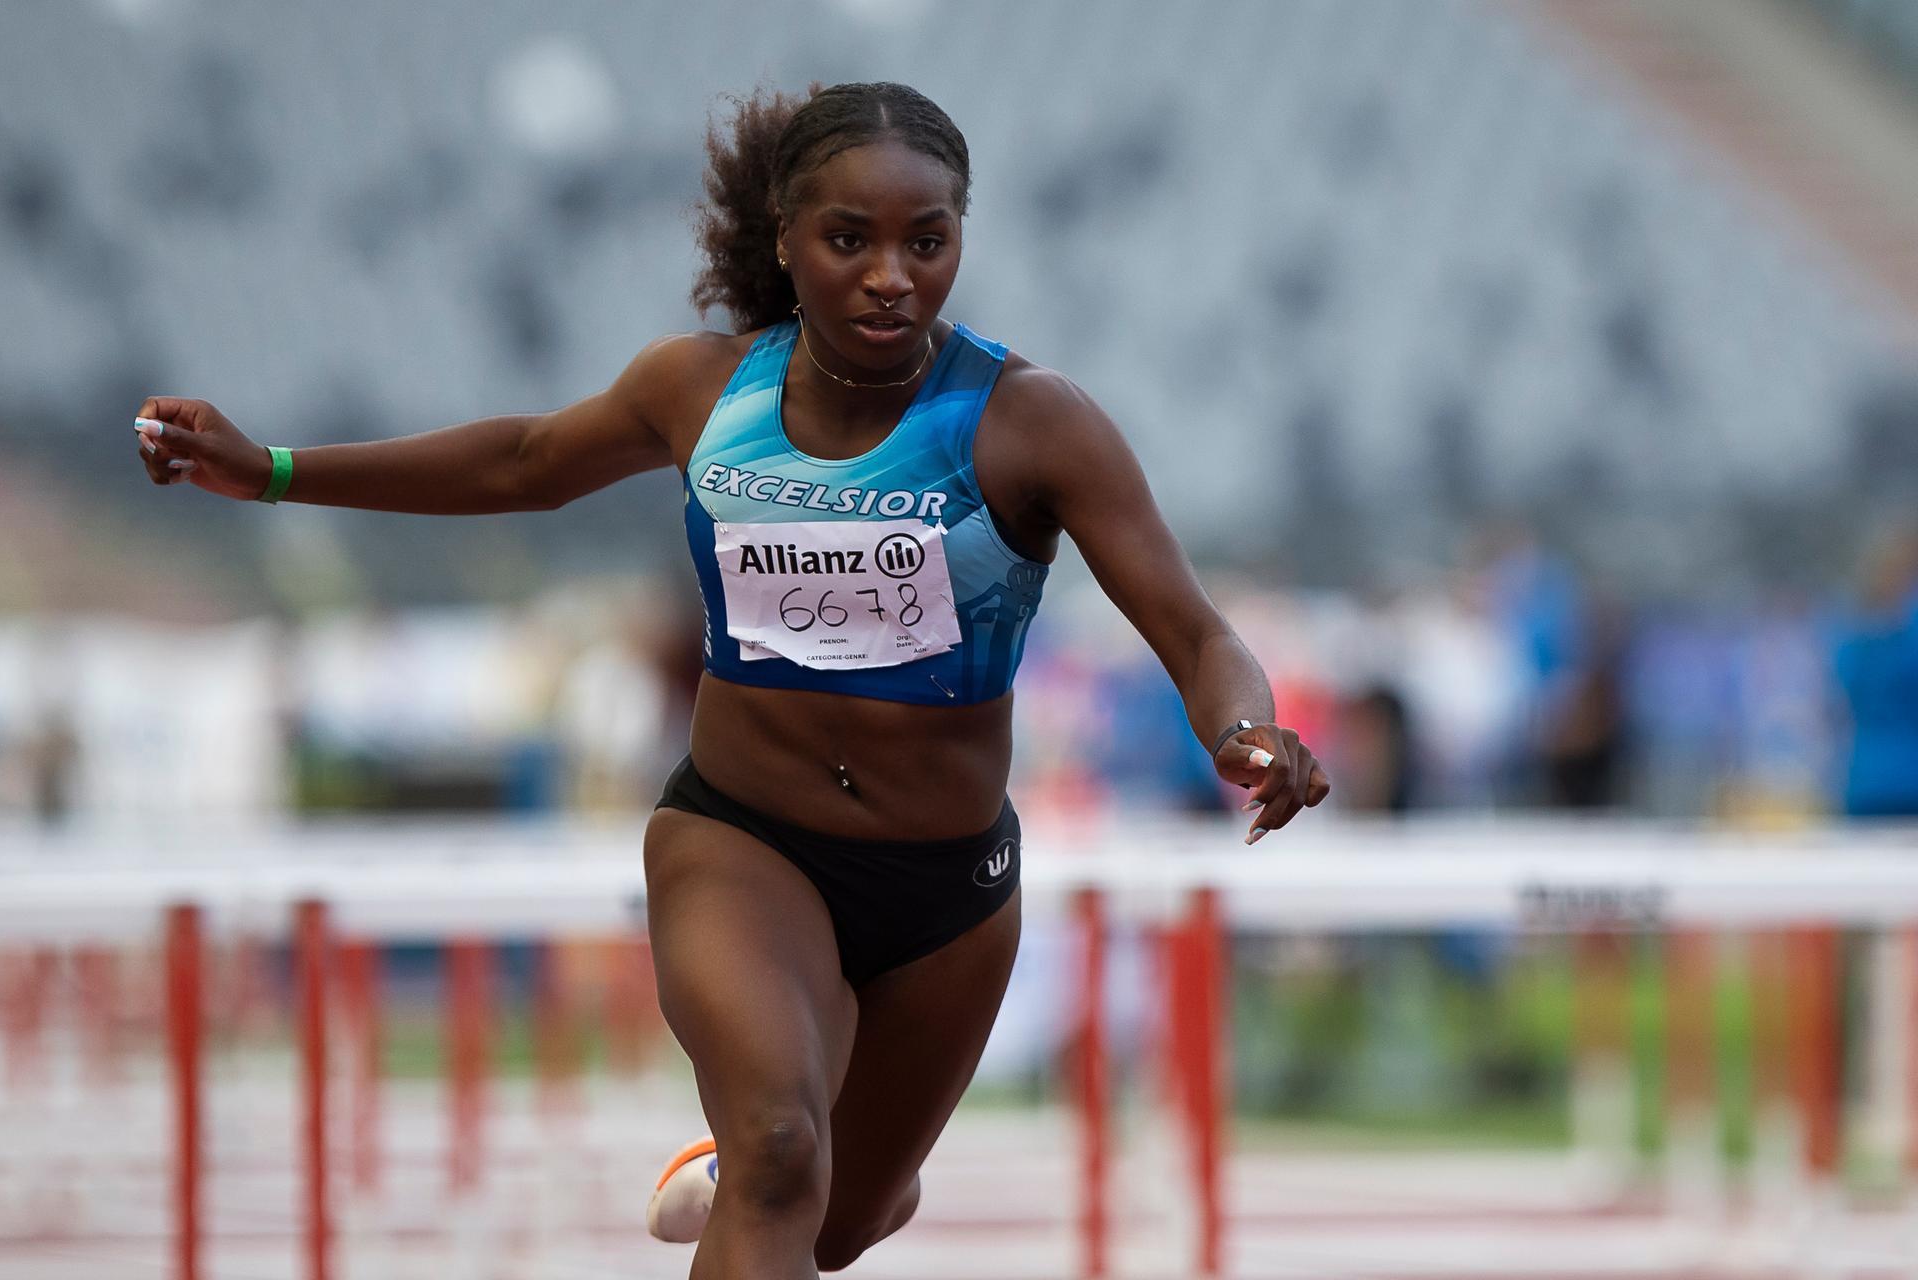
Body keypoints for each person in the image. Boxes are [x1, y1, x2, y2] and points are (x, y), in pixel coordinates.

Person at [131, 80, 1330, 1278]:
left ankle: (778, 1167)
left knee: (838, 1220)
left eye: (926, 242)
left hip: (948, 891)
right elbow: (522, 460)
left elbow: (1195, 631)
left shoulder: (1032, 424)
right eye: (849, 240)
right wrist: (271, 468)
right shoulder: (703, 389)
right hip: (744, 841)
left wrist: (1246, 728)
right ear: (786, 238)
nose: (891, 277)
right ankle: (760, 1150)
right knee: (781, 1154)